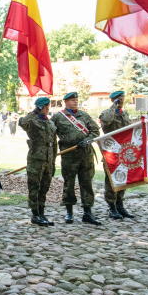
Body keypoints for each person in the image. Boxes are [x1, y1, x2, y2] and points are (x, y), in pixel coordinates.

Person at [51, 91, 101, 225]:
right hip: (69, 154)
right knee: (69, 184)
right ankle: (69, 212)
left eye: (77, 100)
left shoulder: (83, 115)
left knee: (87, 183)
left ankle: (88, 212)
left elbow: (95, 130)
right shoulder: (58, 117)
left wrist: (87, 140)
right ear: (65, 102)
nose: (75, 102)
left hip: (86, 154)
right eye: (72, 100)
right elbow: (50, 133)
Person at [19, 97, 57, 226]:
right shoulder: (32, 120)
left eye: (48, 106)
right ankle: (35, 214)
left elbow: (54, 143)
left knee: (44, 188)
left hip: (48, 159)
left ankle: (42, 213)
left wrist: (53, 161)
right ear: (39, 107)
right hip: (36, 159)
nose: (47, 108)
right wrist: (34, 111)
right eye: (44, 106)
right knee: (34, 187)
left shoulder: (50, 123)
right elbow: (23, 123)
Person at [99, 90, 135, 219]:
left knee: (123, 177)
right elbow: (105, 121)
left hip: (124, 152)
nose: (121, 101)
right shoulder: (107, 113)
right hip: (111, 152)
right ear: (113, 100)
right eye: (118, 99)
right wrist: (113, 106)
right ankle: (112, 207)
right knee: (111, 180)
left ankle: (120, 205)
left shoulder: (124, 113)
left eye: (122, 99)